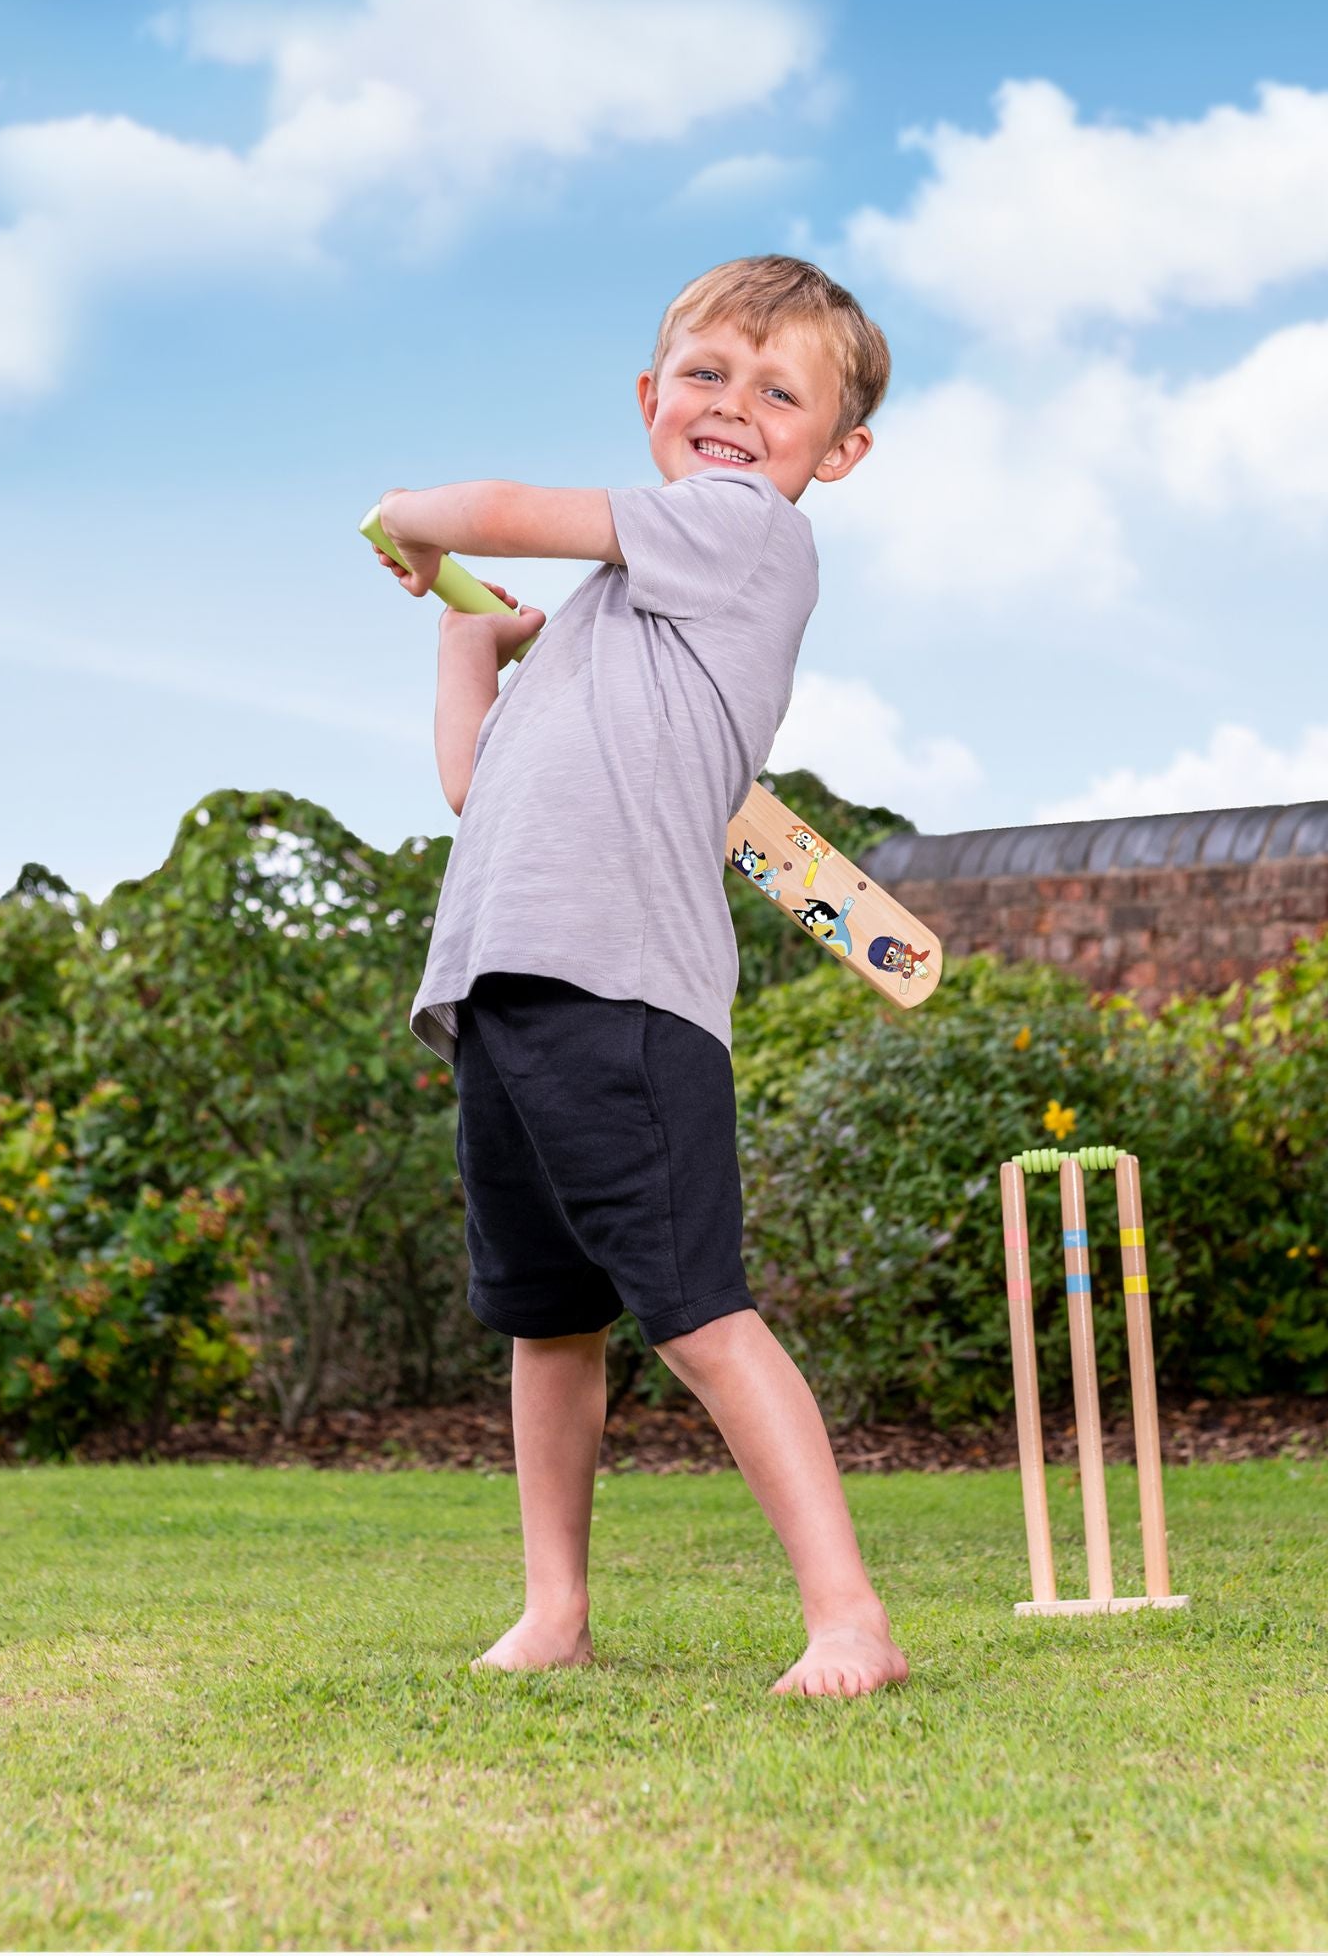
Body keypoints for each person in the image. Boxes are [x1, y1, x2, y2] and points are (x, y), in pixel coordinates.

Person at [374, 255, 907, 1698]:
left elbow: (510, 516)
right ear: (651, 395)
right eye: (707, 377)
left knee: (699, 1314)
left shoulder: (743, 536)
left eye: (779, 391)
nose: (734, 409)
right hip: (504, 986)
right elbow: (479, 788)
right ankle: (556, 1608)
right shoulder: (614, 620)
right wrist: (464, 643)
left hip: (625, 992)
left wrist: (426, 523)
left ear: (835, 451)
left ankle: (850, 1616)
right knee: (547, 1324)